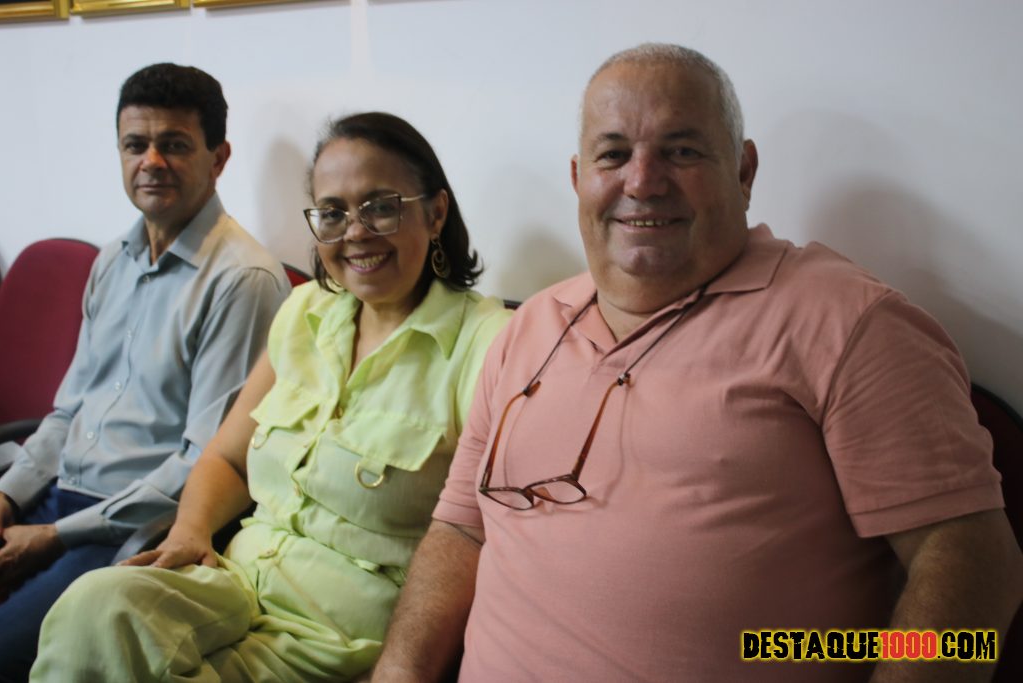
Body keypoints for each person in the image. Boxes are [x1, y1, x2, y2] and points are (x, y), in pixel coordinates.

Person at [371, 44, 1023, 683]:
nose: (642, 181)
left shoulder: (849, 321)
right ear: (578, 178)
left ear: (744, 171)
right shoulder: (529, 326)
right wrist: (397, 671)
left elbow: (972, 559)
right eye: (613, 154)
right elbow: (461, 529)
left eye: (681, 151)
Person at [29, 111, 512, 682]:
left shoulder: (489, 344)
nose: (355, 231)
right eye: (332, 213)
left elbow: (484, 538)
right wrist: (191, 530)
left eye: (380, 206)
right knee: (92, 607)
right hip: (235, 586)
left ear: (435, 213)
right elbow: (228, 458)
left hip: (335, 635)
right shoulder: (304, 312)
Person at [0, 63, 289, 680]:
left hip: (132, 528)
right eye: (136, 144)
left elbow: (202, 461)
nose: (151, 161)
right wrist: (8, 496)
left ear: (218, 158)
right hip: (55, 501)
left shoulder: (242, 279)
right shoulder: (112, 260)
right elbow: (67, 412)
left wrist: (53, 536)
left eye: (174, 145)